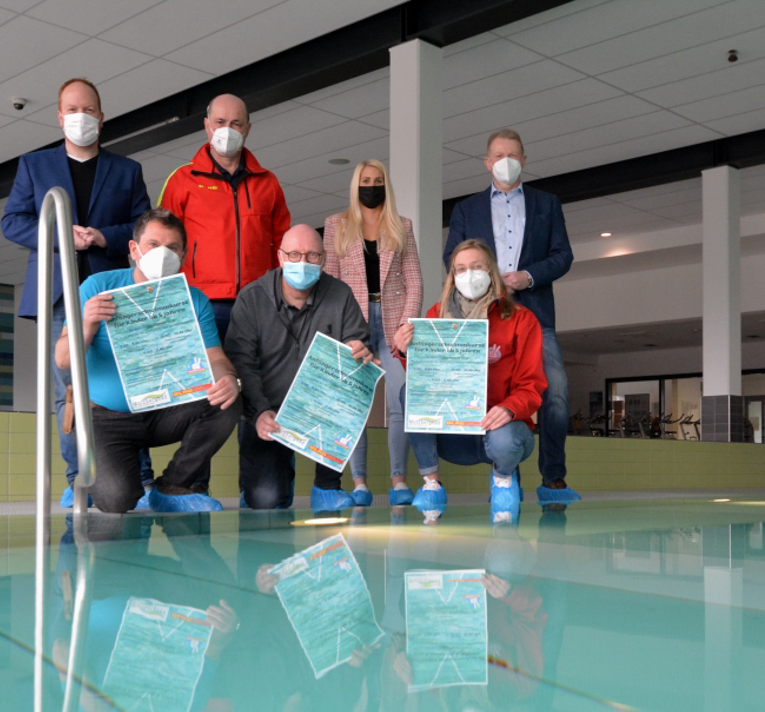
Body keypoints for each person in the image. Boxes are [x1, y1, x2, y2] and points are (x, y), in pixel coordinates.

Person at [3, 78, 152, 508]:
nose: (80, 117)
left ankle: (138, 479)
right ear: (59, 116)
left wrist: (103, 237)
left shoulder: (127, 170)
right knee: (65, 388)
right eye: (72, 110)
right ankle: (76, 481)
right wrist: (59, 234)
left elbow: (144, 227)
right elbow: (12, 221)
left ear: (101, 117)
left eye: (88, 110)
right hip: (57, 294)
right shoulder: (34, 165)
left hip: (113, 290)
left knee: (125, 381)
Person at [54, 209, 240, 514]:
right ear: (134, 249)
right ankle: (94, 478)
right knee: (117, 500)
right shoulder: (97, 286)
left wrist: (228, 378)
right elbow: (62, 360)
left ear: (183, 253)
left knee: (228, 399)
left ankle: (171, 486)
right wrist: (86, 323)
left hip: (162, 412)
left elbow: (215, 357)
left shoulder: (193, 299)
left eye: (173, 247)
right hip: (104, 417)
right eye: (154, 245)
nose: (163, 254)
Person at [157, 93, 290, 497]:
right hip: (201, 307)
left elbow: (282, 248)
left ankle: (266, 492)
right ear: (206, 125)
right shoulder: (182, 180)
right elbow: (163, 248)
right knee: (205, 399)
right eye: (220, 122)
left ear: (248, 128)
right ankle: (191, 488)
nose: (227, 130)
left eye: (236, 123)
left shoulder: (268, 183)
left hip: (257, 310)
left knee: (261, 393)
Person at [444, 128, 577, 507]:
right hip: (481, 316)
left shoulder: (546, 204)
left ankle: (553, 478)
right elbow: (451, 256)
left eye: (513, 154)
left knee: (555, 393)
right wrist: (481, 280)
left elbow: (562, 255)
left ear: (524, 159)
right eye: (499, 155)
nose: (506, 161)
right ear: (487, 162)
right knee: (499, 392)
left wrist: (526, 276)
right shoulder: (466, 209)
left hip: (534, 310)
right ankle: (508, 479)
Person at [392, 239, 546, 523]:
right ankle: (432, 483)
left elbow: (532, 385)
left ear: (492, 272)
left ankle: (502, 481)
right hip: (453, 434)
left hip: (500, 431)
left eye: (477, 267)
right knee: (409, 391)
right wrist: (405, 351)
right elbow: (427, 380)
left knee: (505, 436)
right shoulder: (435, 316)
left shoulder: (521, 320)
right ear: (452, 276)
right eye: (461, 269)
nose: (469, 275)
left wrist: (509, 408)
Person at [224, 225, 372, 511]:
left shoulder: (340, 295)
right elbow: (243, 363)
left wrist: (358, 349)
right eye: (294, 254)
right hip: (269, 413)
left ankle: (327, 485)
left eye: (312, 255)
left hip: (322, 411)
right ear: (280, 257)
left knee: (356, 381)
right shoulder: (251, 298)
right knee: (265, 501)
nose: (302, 262)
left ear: (324, 259)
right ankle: (264, 479)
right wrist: (258, 411)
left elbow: (359, 342)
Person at [323, 160, 423, 508]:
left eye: (377, 180)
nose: (371, 185)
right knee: (355, 405)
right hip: (353, 323)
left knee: (400, 399)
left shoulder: (402, 226)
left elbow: (414, 281)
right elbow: (329, 283)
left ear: (386, 185)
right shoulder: (336, 225)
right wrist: (341, 331)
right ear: (356, 184)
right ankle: (360, 483)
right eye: (365, 180)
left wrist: (405, 328)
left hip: (393, 324)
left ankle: (398, 480)